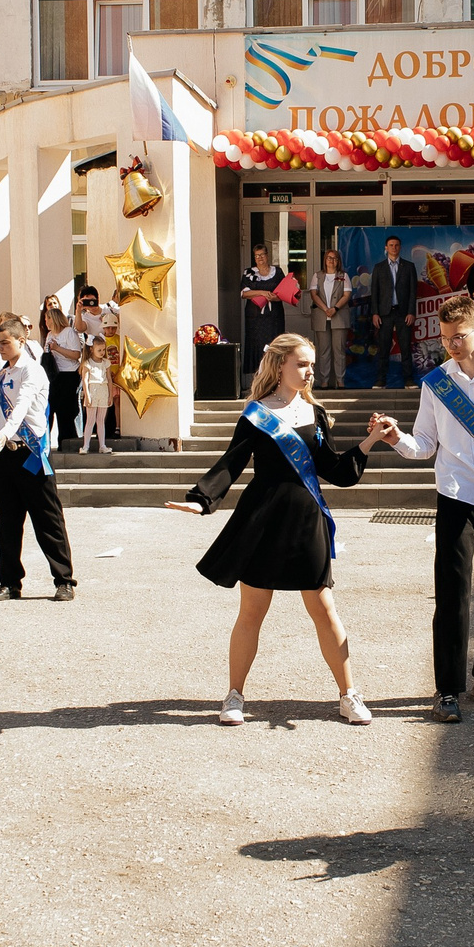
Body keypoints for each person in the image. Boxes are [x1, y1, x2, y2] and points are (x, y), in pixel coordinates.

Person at [166, 332, 381, 726]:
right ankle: (234, 696)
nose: (310, 371)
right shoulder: (256, 414)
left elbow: (334, 470)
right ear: (280, 365)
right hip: (262, 520)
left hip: (306, 520)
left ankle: (348, 695)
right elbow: (231, 463)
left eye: (311, 364)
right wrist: (202, 499)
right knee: (251, 611)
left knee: (324, 609)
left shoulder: (315, 414)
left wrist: (369, 441)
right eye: (302, 364)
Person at [387, 295, 474, 723]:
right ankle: (447, 688)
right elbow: (424, 443)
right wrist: (396, 439)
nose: (450, 345)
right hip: (454, 495)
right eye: (445, 338)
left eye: (459, 337)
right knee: (452, 594)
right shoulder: (436, 383)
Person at [0, 316, 76, 601]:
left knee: (48, 520)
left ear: (21, 340)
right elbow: (3, 415)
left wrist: (5, 432)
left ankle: (64, 580)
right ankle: (10, 582)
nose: (0, 348)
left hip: (31, 453)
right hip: (6, 453)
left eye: (5, 343)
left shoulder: (32, 370)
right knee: (8, 521)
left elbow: (21, 406)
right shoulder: (3, 372)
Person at [366, 235, 416, 388]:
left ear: (400, 247)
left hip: (403, 312)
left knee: (405, 347)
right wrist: (375, 313)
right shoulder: (379, 267)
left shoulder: (409, 266)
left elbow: (413, 292)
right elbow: (374, 292)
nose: (394, 248)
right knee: (384, 347)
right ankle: (381, 380)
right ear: (386, 248)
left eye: (396, 245)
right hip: (384, 313)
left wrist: (411, 312)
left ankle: (408, 380)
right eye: (391, 245)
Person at [239, 245, 290, 376]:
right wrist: (262, 292)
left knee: (274, 345)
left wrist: (274, 297)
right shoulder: (249, 273)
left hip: (274, 317)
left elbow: (284, 292)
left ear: (267, 255)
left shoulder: (277, 272)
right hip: (255, 318)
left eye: (262, 255)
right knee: (256, 345)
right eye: (257, 256)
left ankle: (275, 377)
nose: (260, 258)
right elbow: (244, 293)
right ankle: (258, 378)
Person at [42, 303, 85, 442]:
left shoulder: (69, 332)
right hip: (55, 374)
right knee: (52, 406)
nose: (46, 322)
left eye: (48, 319)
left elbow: (76, 354)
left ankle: (67, 440)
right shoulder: (49, 335)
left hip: (69, 373)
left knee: (66, 410)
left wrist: (57, 348)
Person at [307, 245, 351, 379]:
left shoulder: (344, 276)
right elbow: (314, 294)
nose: (332, 260)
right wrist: (326, 309)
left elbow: (346, 295)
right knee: (323, 351)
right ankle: (324, 381)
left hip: (339, 317)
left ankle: (340, 380)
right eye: (329, 258)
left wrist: (335, 308)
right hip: (322, 317)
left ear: (338, 261)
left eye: (335, 258)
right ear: (325, 260)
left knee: (339, 351)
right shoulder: (317, 276)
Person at [78, 338, 113, 453]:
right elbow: (85, 380)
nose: (102, 352)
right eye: (99, 350)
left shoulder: (106, 363)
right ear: (92, 349)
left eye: (103, 350)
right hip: (92, 391)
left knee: (101, 420)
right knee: (90, 420)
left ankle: (102, 445)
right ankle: (85, 446)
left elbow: (109, 379)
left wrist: (110, 395)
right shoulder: (87, 364)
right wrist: (87, 396)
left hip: (103, 391)